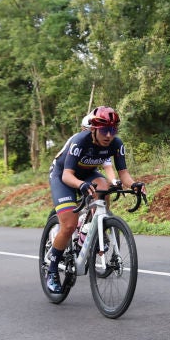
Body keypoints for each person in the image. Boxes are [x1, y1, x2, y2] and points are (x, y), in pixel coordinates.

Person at [45, 106, 145, 294]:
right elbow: (67, 176)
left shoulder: (116, 144)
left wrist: (133, 185)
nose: (109, 135)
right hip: (63, 175)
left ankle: (99, 224)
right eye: (105, 130)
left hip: (87, 173)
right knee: (68, 225)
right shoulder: (80, 141)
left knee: (104, 187)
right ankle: (52, 270)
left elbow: (123, 173)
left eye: (113, 130)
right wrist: (80, 185)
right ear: (94, 129)